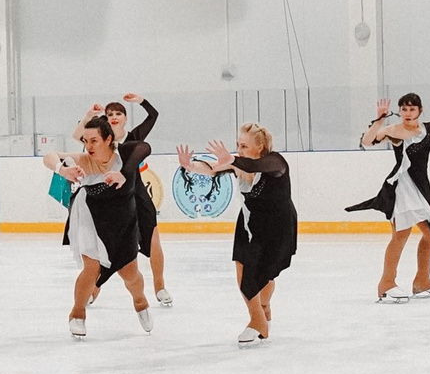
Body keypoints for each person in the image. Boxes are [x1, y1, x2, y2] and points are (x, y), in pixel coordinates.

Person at [180, 124, 295, 346]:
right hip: (249, 223)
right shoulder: (237, 163)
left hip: (277, 228)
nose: (239, 150)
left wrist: (232, 160)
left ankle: (263, 311)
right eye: (238, 145)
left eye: (244, 146)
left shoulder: (275, 162)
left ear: (259, 146)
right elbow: (213, 168)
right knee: (244, 277)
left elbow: (254, 165)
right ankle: (257, 321)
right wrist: (190, 166)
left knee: (266, 275)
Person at [348, 90, 430, 302]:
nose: (407, 113)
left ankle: (422, 281)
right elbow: (366, 142)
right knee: (401, 234)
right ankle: (386, 284)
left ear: (420, 111)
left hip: (420, 189)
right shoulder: (393, 130)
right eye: (404, 109)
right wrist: (379, 120)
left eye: (412, 109)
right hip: (401, 189)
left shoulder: (428, 129)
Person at [45, 117, 153, 339]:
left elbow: (145, 147)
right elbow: (50, 155)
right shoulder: (84, 161)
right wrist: (61, 169)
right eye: (86, 141)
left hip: (123, 220)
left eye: (94, 140)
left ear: (108, 139)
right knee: (91, 267)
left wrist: (124, 173)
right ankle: (77, 313)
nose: (89, 146)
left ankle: (141, 302)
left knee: (129, 272)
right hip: (90, 217)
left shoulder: (125, 154)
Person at [99, 93, 171, 306]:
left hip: (138, 195)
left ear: (124, 118)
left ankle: (160, 286)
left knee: (153, 240)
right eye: (110, 113)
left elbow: (153, 115)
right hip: (113, 199)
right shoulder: (103, 141)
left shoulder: (134, 136)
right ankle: (94, 287)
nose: (114, 116)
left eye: (118, 113)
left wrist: (141, 101)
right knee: (108, 248)